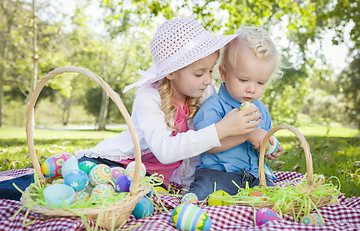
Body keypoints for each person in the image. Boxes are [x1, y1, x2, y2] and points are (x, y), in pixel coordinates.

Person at [0, 18, 264, 201]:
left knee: (103, 198)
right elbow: (165, 149)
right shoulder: (149, 97)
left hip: (153, 182)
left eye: (209, 71)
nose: (209, 80)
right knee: (63, 182)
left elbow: (197, 154)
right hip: (117, 164)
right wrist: (221, 129)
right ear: (171, 72)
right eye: (199, 72)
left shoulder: (203, 93)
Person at [189, 25, 284, 200]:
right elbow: (206, 146)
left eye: (261, 83)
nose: (251, 89)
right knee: (201, 193)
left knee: (277, 198)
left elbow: (262, 142)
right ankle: (192, 205)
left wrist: (269, 147)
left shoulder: (261, 110)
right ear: (224, 73)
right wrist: (246, 135)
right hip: (217, 175)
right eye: (243, 80)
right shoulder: (213, 107)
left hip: (255, 176)